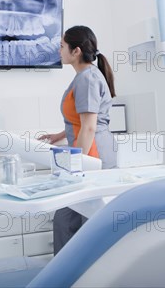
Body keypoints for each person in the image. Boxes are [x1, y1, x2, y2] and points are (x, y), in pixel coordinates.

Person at [38, 25, 117, 255]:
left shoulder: (87, 79)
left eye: (62, 46)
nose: (58, 50)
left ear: (76, 51)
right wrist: (60, 135)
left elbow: (90, 126)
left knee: (86, 227)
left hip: (93, 155)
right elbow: (81, 119)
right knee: (66, 221)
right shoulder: (85, 76)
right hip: (87, 152)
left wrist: (78, 164)